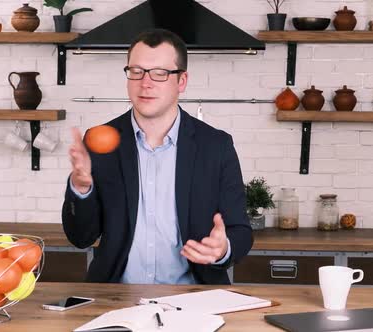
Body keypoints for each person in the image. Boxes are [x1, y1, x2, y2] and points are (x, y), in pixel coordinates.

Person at [62, 29, 252, 285]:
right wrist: (81, 188)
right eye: (137, 71)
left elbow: (240, 230)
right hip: (115, 300)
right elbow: (80, 237)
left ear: (181, 81)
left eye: (160, 73)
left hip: (195, 301)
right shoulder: (99, 142)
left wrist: (222, 249)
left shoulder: (216, 146)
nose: (146, 83)